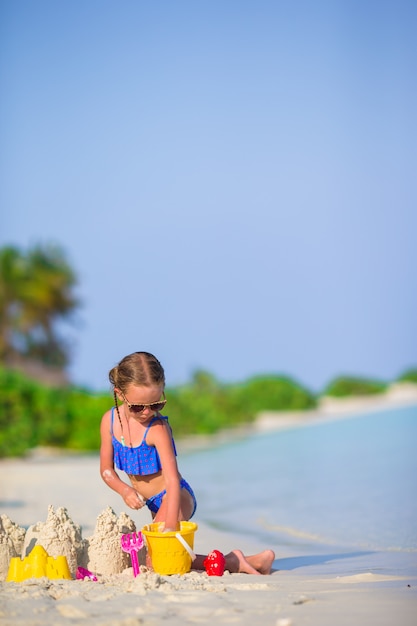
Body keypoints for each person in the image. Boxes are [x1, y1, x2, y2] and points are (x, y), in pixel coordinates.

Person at [100, 351, 275, 575]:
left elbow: (172, 481)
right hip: (153, 503)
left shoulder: (158, 429)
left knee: (158, 561)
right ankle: (236, 561)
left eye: (156, 405)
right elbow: (106, 470)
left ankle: (234, 562)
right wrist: (125, 491)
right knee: (162, 558)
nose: (146, 413)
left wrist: (171, 526)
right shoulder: (110, 421)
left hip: (175, 496)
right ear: (120, 394)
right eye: (138, 407)